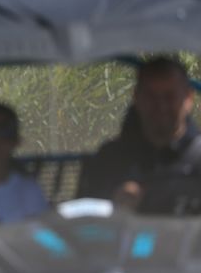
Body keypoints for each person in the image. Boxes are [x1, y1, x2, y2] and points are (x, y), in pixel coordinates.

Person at [77, 57, 201, 212]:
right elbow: (82, 224)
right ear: (136, 97)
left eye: (169, 96)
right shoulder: (109, 160)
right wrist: (113, 204)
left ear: (188, 98)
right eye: (151, 96)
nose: (160, 106)